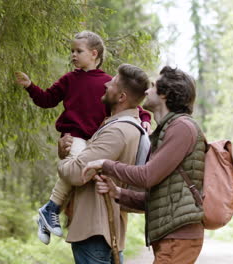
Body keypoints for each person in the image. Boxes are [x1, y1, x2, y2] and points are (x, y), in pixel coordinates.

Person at [15, 31, 151, 245]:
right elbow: (47, 99)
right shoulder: (69, 80)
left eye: (78, 51)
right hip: (74, 136)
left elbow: (133, 104)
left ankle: (49, 211)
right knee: (80, 168)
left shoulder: (109, 84)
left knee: (86, 176)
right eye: (72, 51)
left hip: (96, 138)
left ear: (94, 54)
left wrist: (144, 118)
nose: (73, 55)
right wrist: (30, 86)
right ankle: (52, 208)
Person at [83, 66, 206, 264]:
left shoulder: (181, 128)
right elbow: (160, 198)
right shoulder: (169, 129)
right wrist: (119, 194)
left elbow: (148, 176)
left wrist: (105, 164)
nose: (146, 91)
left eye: (153, 86)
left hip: (178, 237)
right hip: (171, 236)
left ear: (165, 94)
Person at [57, 63, 150, 263]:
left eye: (114, 82)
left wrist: (65, 160)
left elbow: (75, 173)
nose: (107, 84)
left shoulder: (117, 131)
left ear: (121, 97)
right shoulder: (128, 126)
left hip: (95, 230)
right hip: (106, 229)